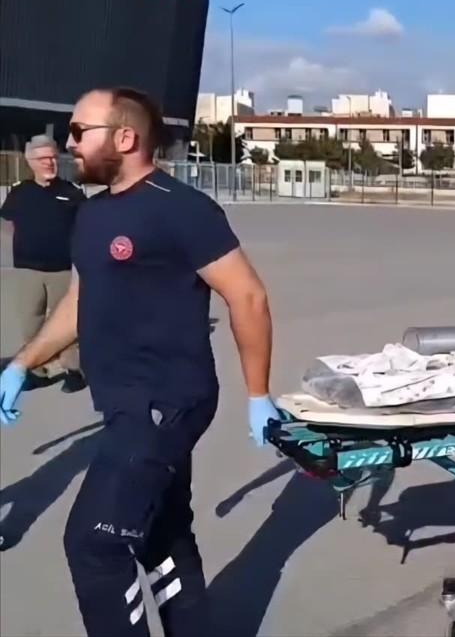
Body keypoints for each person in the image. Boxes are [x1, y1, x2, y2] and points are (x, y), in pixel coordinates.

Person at [0, 87, 282, 637]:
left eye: (80, 132)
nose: (68, 144)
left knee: (95, 545)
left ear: (125, 138)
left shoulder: (181, 208)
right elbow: (80, 301)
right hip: (124, 401)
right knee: (162, 531)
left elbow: (247, 296)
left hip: (164, 402)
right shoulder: (94, 214)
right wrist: (22, 363)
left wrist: (258, 393)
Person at [1, 135, 88, 393]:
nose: (49, 163)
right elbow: (7, 224)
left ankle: (74, 371)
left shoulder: (72, 193)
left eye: (52, 157)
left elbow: (86, 228)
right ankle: (37, 371)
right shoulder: (20, 192)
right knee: (31, 324)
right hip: (27, 271)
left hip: (62, 270)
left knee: (67, 325)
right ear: (31, 162)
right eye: (43, 159)